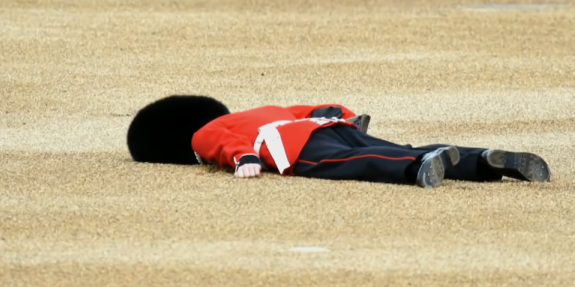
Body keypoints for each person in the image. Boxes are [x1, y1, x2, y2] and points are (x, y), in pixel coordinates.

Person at [126, 95, 551, 187]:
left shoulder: (204, 134)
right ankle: (482, 160)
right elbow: (309, 109)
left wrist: (244, 159)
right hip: (326, 127)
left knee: (364, 162)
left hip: (297, 150)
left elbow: (216, 142)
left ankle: (417, 170)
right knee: (399, 145)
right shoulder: (258, 110)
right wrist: (345, 117)